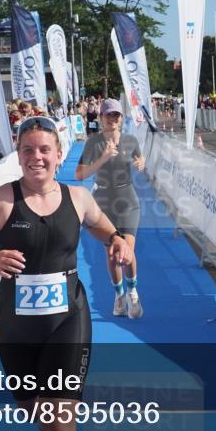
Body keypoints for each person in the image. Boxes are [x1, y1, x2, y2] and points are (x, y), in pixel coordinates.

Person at [0, 116, 133, 431]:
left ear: (58, 154)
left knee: (59, 424)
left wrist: (118, 241)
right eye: (27, 150)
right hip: (16, 324)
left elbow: (104, 227)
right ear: (19, 156)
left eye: (43, 150)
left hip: (67, 318)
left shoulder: (78, 198)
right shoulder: (2, 200)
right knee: (38, 415)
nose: (36, 157)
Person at [75, 99, 146, 319]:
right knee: (112, 253)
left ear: (121, 118)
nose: (112, 119)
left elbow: (139, 158)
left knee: (126, 250)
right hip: (103, 202)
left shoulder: (130, 140)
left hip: (128, 200)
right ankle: (119, 295)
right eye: (108, 115)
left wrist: (142, 163)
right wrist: (103, 158)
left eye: (116, 115)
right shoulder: (93, 143)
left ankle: (133, 291)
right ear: (101, 118)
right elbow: (80, 174)